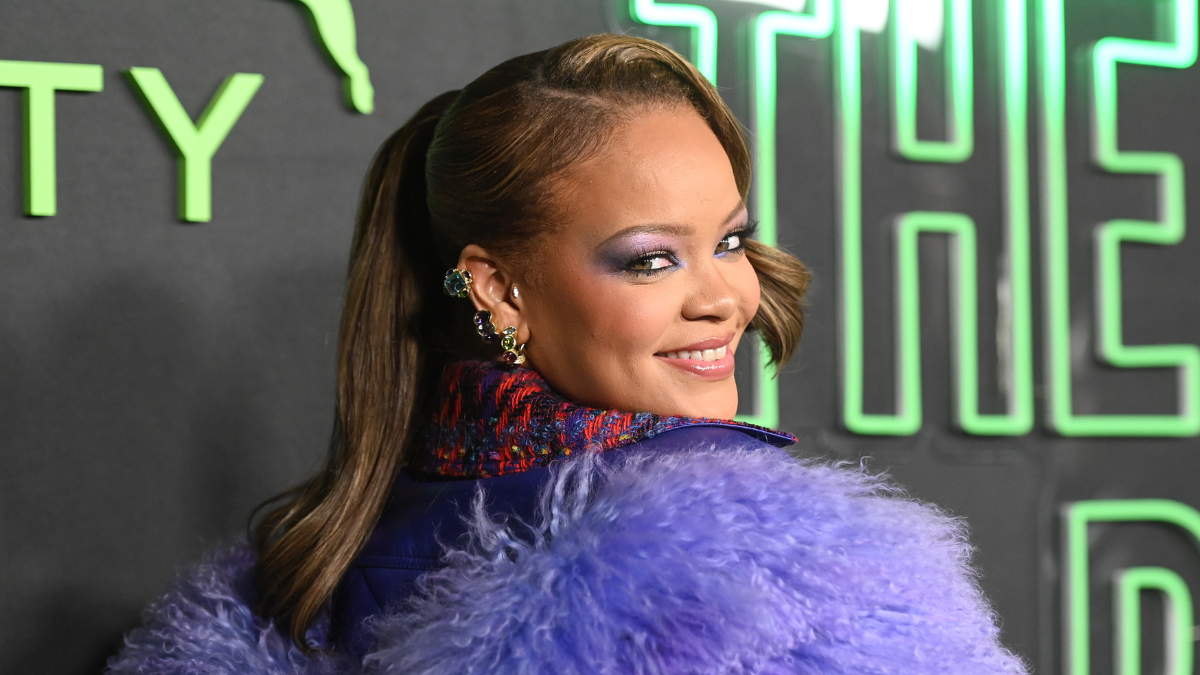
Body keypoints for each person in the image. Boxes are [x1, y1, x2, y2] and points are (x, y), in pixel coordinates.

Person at [107, 34, 1025, 675]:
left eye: (730, 241)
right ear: (499, 288)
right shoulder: (775, 566)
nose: (723, 297)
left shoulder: (318, 559)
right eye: (650, 259)